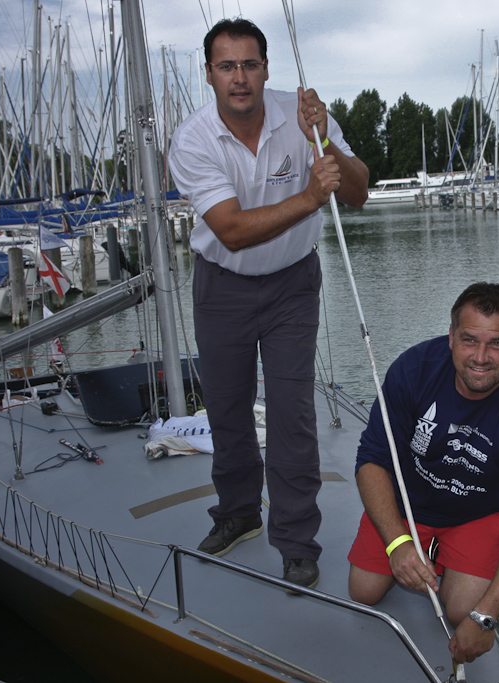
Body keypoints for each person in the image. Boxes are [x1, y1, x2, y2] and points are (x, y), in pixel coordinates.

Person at [168, 18, 369, 590]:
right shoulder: (193, 140)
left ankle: (297, 541)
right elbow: (231, 231)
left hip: (291, 285)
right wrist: (309, 196)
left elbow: (358, 193)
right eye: (227, 66)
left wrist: (326, 139)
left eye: (250, 65)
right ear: (209, 73)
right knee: (226, 408)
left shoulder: (301, 116)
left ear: (265, 69)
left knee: (291, 411)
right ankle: (238, 513)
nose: (239, 77)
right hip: (222, 285)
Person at [347, 282, 499, 663]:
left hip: (477, 514)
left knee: (464, 609)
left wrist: (485, 618)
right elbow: (372, 459)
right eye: (469, 340)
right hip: (407, 505)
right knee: (363, 592)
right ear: (450, 337)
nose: (480, 357)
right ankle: (423, 548)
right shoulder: (414, 370)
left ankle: (447, 558)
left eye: (497, 343)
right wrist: (397, 543)